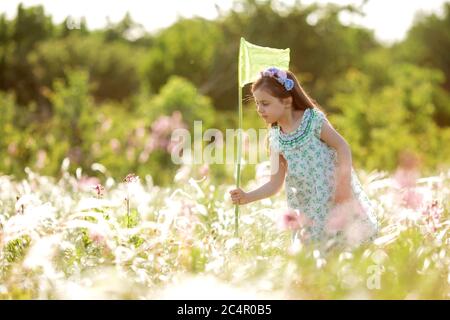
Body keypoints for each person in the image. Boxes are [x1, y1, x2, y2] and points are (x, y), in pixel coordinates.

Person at [229, 67, 378, 246]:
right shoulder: (275, 139)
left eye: (265, 103)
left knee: (348, 244)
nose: (260, 109)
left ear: (286, 101)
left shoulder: (311, 120)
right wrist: (247, 197)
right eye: (257, 103)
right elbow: (275, 184)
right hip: (307, 207)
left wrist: (343, 185)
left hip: (333, 194)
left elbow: (342, 146)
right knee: (317, 253)